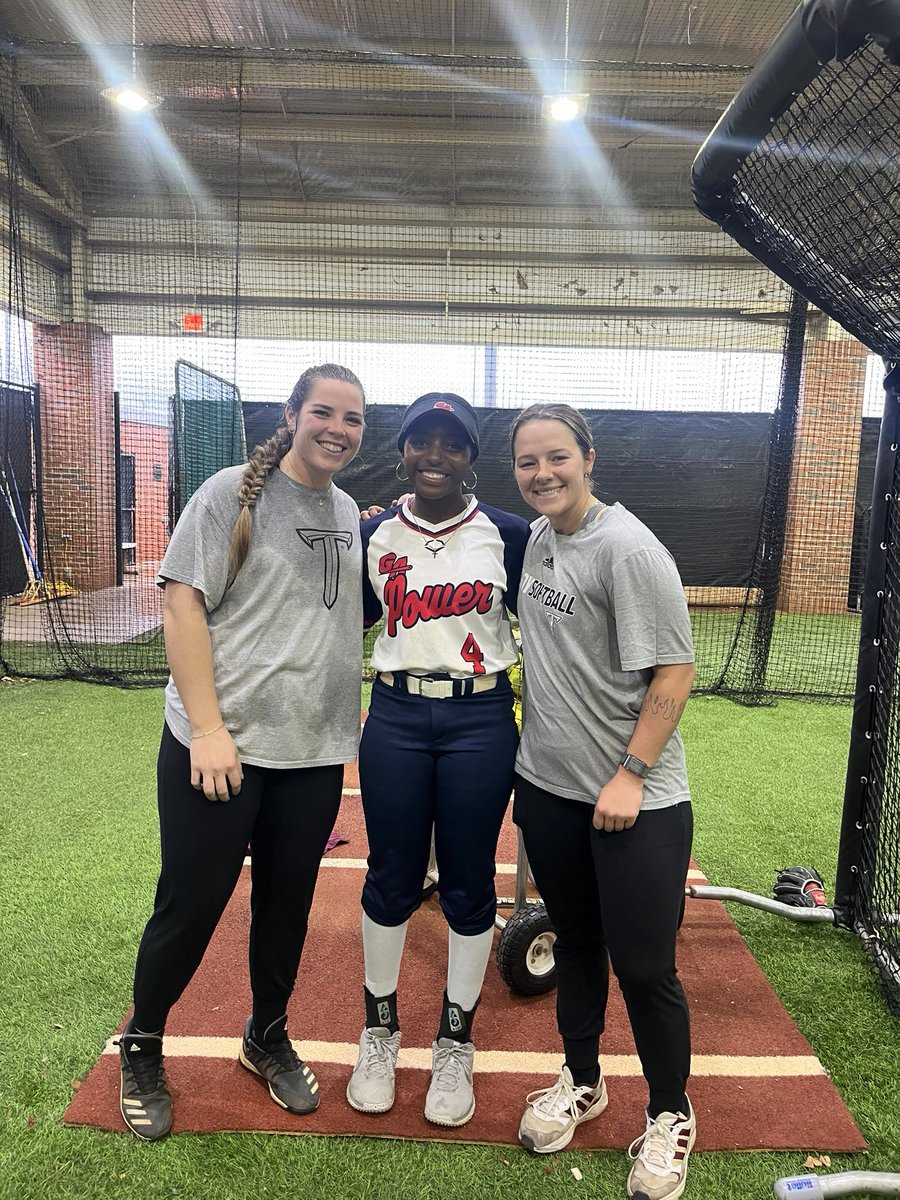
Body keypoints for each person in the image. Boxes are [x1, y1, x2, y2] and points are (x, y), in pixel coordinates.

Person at [116, 363, 366, 1141]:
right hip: (220, 748)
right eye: (323, 411)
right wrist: (211, 729)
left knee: (286, 907)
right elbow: (182, 606)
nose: (338, 428)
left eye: (353, 419)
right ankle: (144, 1043)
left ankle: (265, 1035)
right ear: (292, 415)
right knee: (190, 905)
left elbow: (328, 619)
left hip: (314, 752)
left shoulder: (352, 509)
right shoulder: (231, 491)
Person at [510, 403, 696, 1200]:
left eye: (557, 457)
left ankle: (669, 1115)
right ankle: (583, 1081)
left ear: (589, 457)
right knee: (579, 946)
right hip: (548, 790)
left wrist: (630, 773)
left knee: (647, 968)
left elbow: (675, 672)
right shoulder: (543, 536)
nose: (543, 473)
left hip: (635, 802)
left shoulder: (626, 547)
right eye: (527, 462)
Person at [347, 392, 530, 1127]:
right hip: (392, 712)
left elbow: (548, 618)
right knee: (389, 874)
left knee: (467, 879)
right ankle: (379, 1030)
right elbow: (347, 618)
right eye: (421, 440)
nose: (434, 454)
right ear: (402, 453)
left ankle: (456, 1043)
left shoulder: (510, 533)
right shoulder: (371, 532)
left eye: (451, 443)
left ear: (469, 459)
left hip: (480, 717)